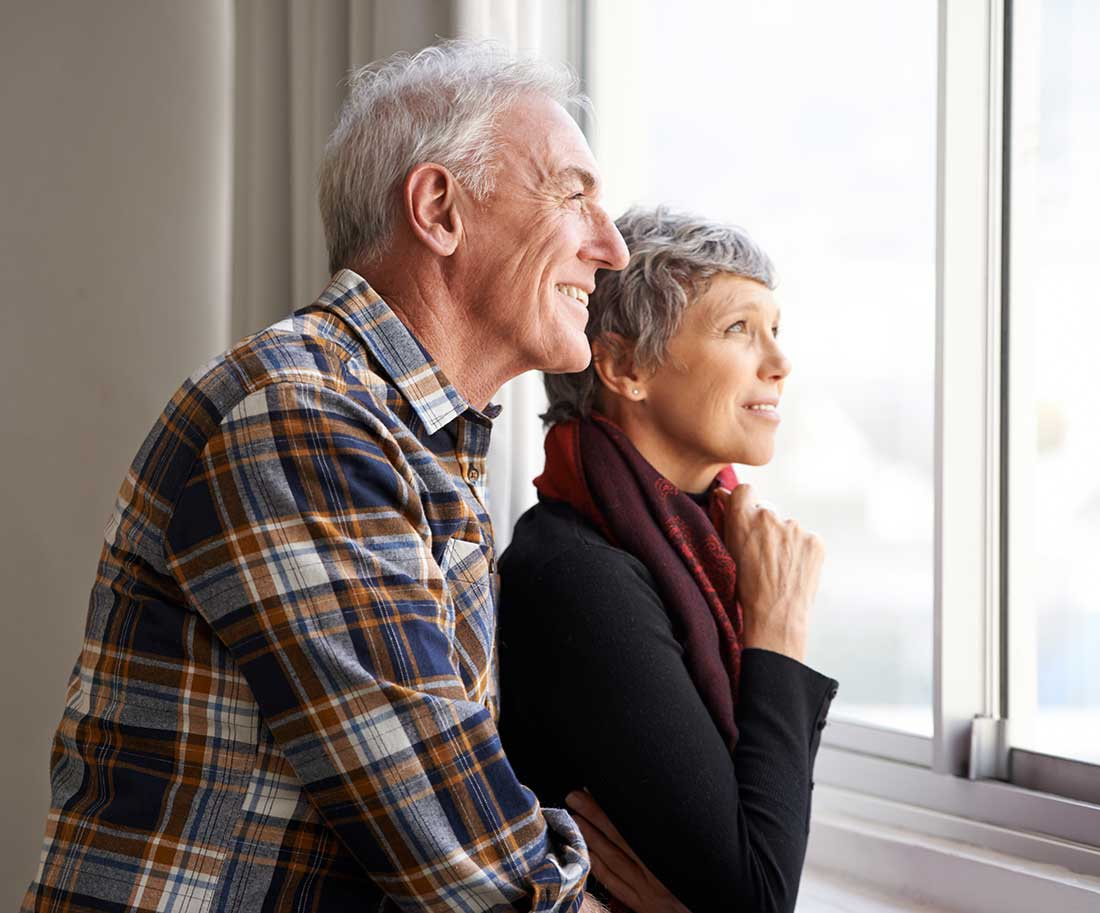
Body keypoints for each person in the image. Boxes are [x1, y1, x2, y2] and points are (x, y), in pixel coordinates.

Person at [22, 41, 629, 913]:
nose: (609, 247)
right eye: (573, 195)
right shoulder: (304, 417)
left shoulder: (408, 436)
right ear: (439, 210)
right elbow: (468, 862)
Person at [497, 207, 839, 913]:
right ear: (625, 366)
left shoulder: (698, 549)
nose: (779, 362)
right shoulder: (577, 571)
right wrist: (778, 625)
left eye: (775, 331)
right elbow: (756, 898)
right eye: (739, 329)